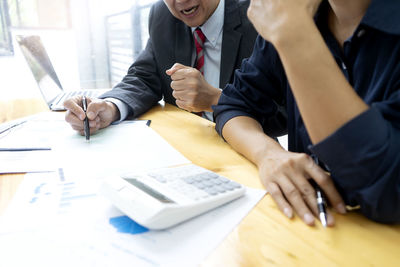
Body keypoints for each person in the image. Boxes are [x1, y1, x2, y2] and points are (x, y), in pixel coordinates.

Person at [214, 0, 400, 226]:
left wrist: (294, 35)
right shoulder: (294, 13)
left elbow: (388, 190)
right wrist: (267, 154)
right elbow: (234, 104)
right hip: (307, 227)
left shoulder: (290, 22)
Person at [64, 0, 257, 135]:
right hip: (186, 144)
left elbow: (279, 107)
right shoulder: (163, 15)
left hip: (245, 147)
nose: (181, 1)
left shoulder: (258, 15)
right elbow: (144, 77)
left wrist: (217, 98)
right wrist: (109, 107)